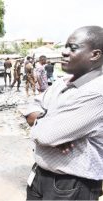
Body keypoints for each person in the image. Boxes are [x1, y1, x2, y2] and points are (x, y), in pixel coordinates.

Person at [25, 26, 103, 200]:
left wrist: (48, 128)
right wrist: (51, 124)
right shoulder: (63, 82)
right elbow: (30, 106)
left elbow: (47, 136)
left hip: (72, 186)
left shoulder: (97, 92)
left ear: (95, 55)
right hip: (40, 175)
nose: (64, 52)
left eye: (72, 48)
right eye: (65, 46)